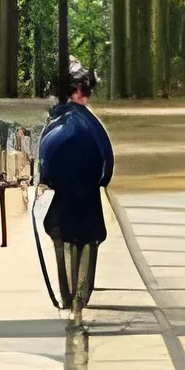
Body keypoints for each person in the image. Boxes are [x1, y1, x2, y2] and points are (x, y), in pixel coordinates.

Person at [36, 64, 114, 326]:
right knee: (88, 239)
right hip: (89, 197)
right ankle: (80, 293)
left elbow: (45, 163)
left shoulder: (56, 123)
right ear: (80, 92)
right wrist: (99, 181)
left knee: (62, 236)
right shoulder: (93, 126)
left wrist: (48, 179)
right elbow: (107, 165)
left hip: (64, 197)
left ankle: (68, 296)